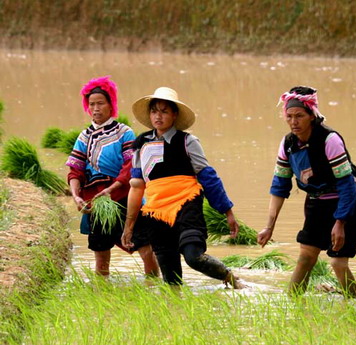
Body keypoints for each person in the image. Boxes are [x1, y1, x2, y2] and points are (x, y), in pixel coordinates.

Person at [258, 86, 356, 297]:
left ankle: (355, 301)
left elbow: (346, 185)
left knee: (338, 262)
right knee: (305, 257)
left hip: (348, 200)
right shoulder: (288, 144)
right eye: (289, 116)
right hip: (317, 201)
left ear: (312, 116)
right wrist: (269, 227)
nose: (293, 122)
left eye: (299, 116)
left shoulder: (330, 140)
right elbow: (280, 186)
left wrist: (340, 222)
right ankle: (291, 303)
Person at [121, 86, 244, 288]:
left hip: (187, 205)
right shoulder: (140, 145)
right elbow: (136, 187)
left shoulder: (187, 142)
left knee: (193, 257)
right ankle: (176, 312)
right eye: (154, 111)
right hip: (156, 212)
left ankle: (229, 277)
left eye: (164, 111)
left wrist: (227, 211)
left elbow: (208, 177)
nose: (158, 116)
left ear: (174, 114)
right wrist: (129, 225)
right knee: (171, 281)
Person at [66, 76, 159, 277]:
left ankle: (154, 287)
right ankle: (102, 290)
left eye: (100, 103)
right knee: (100, 251)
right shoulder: (84, 137)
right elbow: (76, 170)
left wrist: (111, 189)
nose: (96, 108)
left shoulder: (123, 133)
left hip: (125, 197)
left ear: (111, 105)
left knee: (145, 246)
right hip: (97, 203)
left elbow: (130, 168)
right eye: (91, 104)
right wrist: (76, 196)